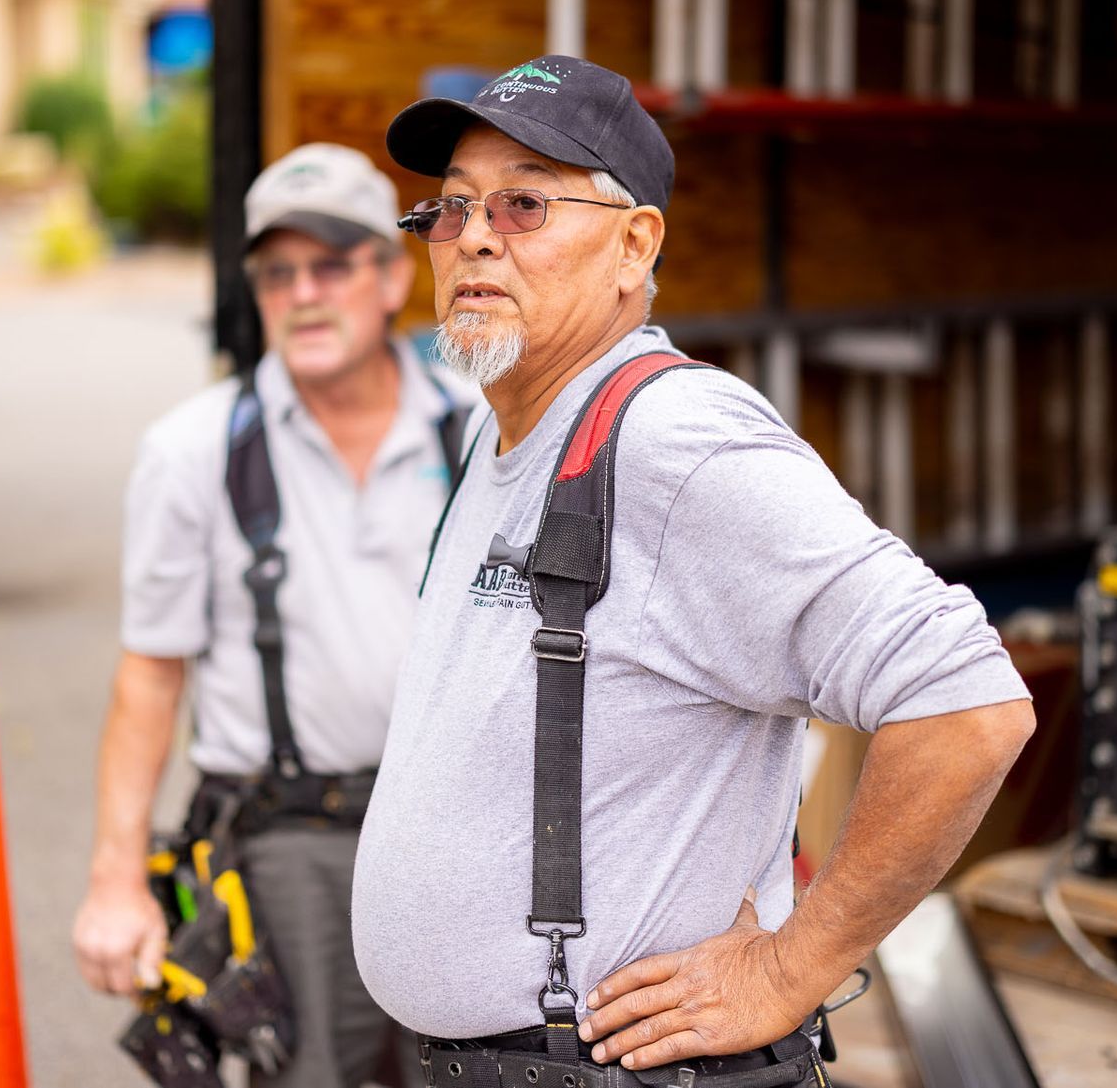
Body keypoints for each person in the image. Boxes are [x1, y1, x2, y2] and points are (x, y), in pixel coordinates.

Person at [351, 56, 1037, 1085]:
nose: (476, 237)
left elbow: (967, 704)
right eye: (450, 210)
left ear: (636, 245)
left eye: (525, 203)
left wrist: (789, 967)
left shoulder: (674, 443)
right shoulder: (499, 436)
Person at [73, 142, 478, 1088]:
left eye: (330, 265)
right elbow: (150, 674)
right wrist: (115, 877)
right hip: (291, 842)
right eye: (277, 272)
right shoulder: (193, 452)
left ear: (388, 277)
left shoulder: (482, 428)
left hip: (459, 839)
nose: (302, 293)